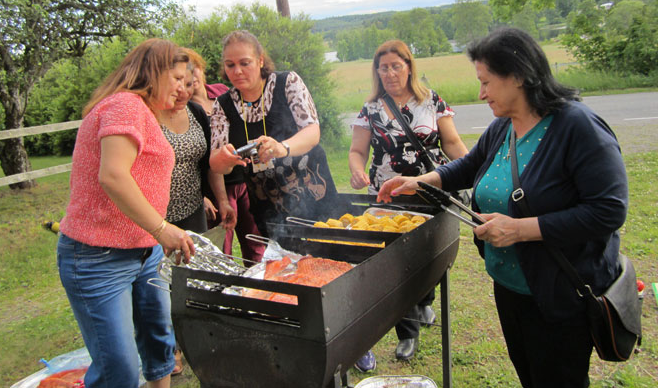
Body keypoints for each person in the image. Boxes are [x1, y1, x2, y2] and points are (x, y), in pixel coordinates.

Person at [378, 28, 628, 388]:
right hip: (511, 287)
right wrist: (421, 181)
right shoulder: (502, 127)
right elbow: (467, 166)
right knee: (530, 375)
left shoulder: (577, 126)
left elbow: (609, 209)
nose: (480, 94)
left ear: (520, 76)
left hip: (560, 293)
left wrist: (520, 229)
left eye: (486, 82)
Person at [57, 38, 197, 388]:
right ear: (152, 71)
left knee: (158, 343)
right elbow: (113, 175)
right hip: (97, 258)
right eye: (177, 78)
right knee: (117, 367)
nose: (183, 87)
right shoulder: (125, 105)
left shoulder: (145, 111)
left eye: (186, 80)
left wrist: (155, 236)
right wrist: (163, 228)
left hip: (144, 252)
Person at [348, 39, 468, 369]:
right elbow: (358, 151)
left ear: (409, 66)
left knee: (430, 252)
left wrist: (476, 170)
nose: (389, 72)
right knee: (398, 263)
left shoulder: (431, 100)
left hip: (432, 191)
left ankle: (425, 298)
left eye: (395, 66)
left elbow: (452, 142)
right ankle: (407, 332)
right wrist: (357, 171)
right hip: (388, 195)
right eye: (382, 67)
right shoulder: (370, 109)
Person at [209, 29, 338, 238]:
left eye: (245, 63)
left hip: (314, 194)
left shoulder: (287, 82)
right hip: (268, 207)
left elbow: (312, 131)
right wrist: (224, 159)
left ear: (260, 61)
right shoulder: (222, 105)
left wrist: (281, 148)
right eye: (230, 65)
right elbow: (216, 164)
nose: (237, 71)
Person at [156, 60, 236, 376]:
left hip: (192, 213)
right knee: (161, 286)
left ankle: (201, 343)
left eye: (190, 86)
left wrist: (220, 199)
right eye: (179, 85)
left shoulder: (197, 113)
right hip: (157, 217)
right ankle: (169, 350)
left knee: (194, 280)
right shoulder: (148, 115)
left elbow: (208, 164)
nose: (184, 92)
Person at [187, 48, 265, 265]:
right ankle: (225, 292)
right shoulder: (183, 108)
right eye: (185, 72)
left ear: (202, 70)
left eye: (194, 69)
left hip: (246, 178)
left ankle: (260, 289)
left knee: (255, 241)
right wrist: (202, 196)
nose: (191, 76)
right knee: (222, 247)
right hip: (216, 186)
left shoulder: (222, 93)